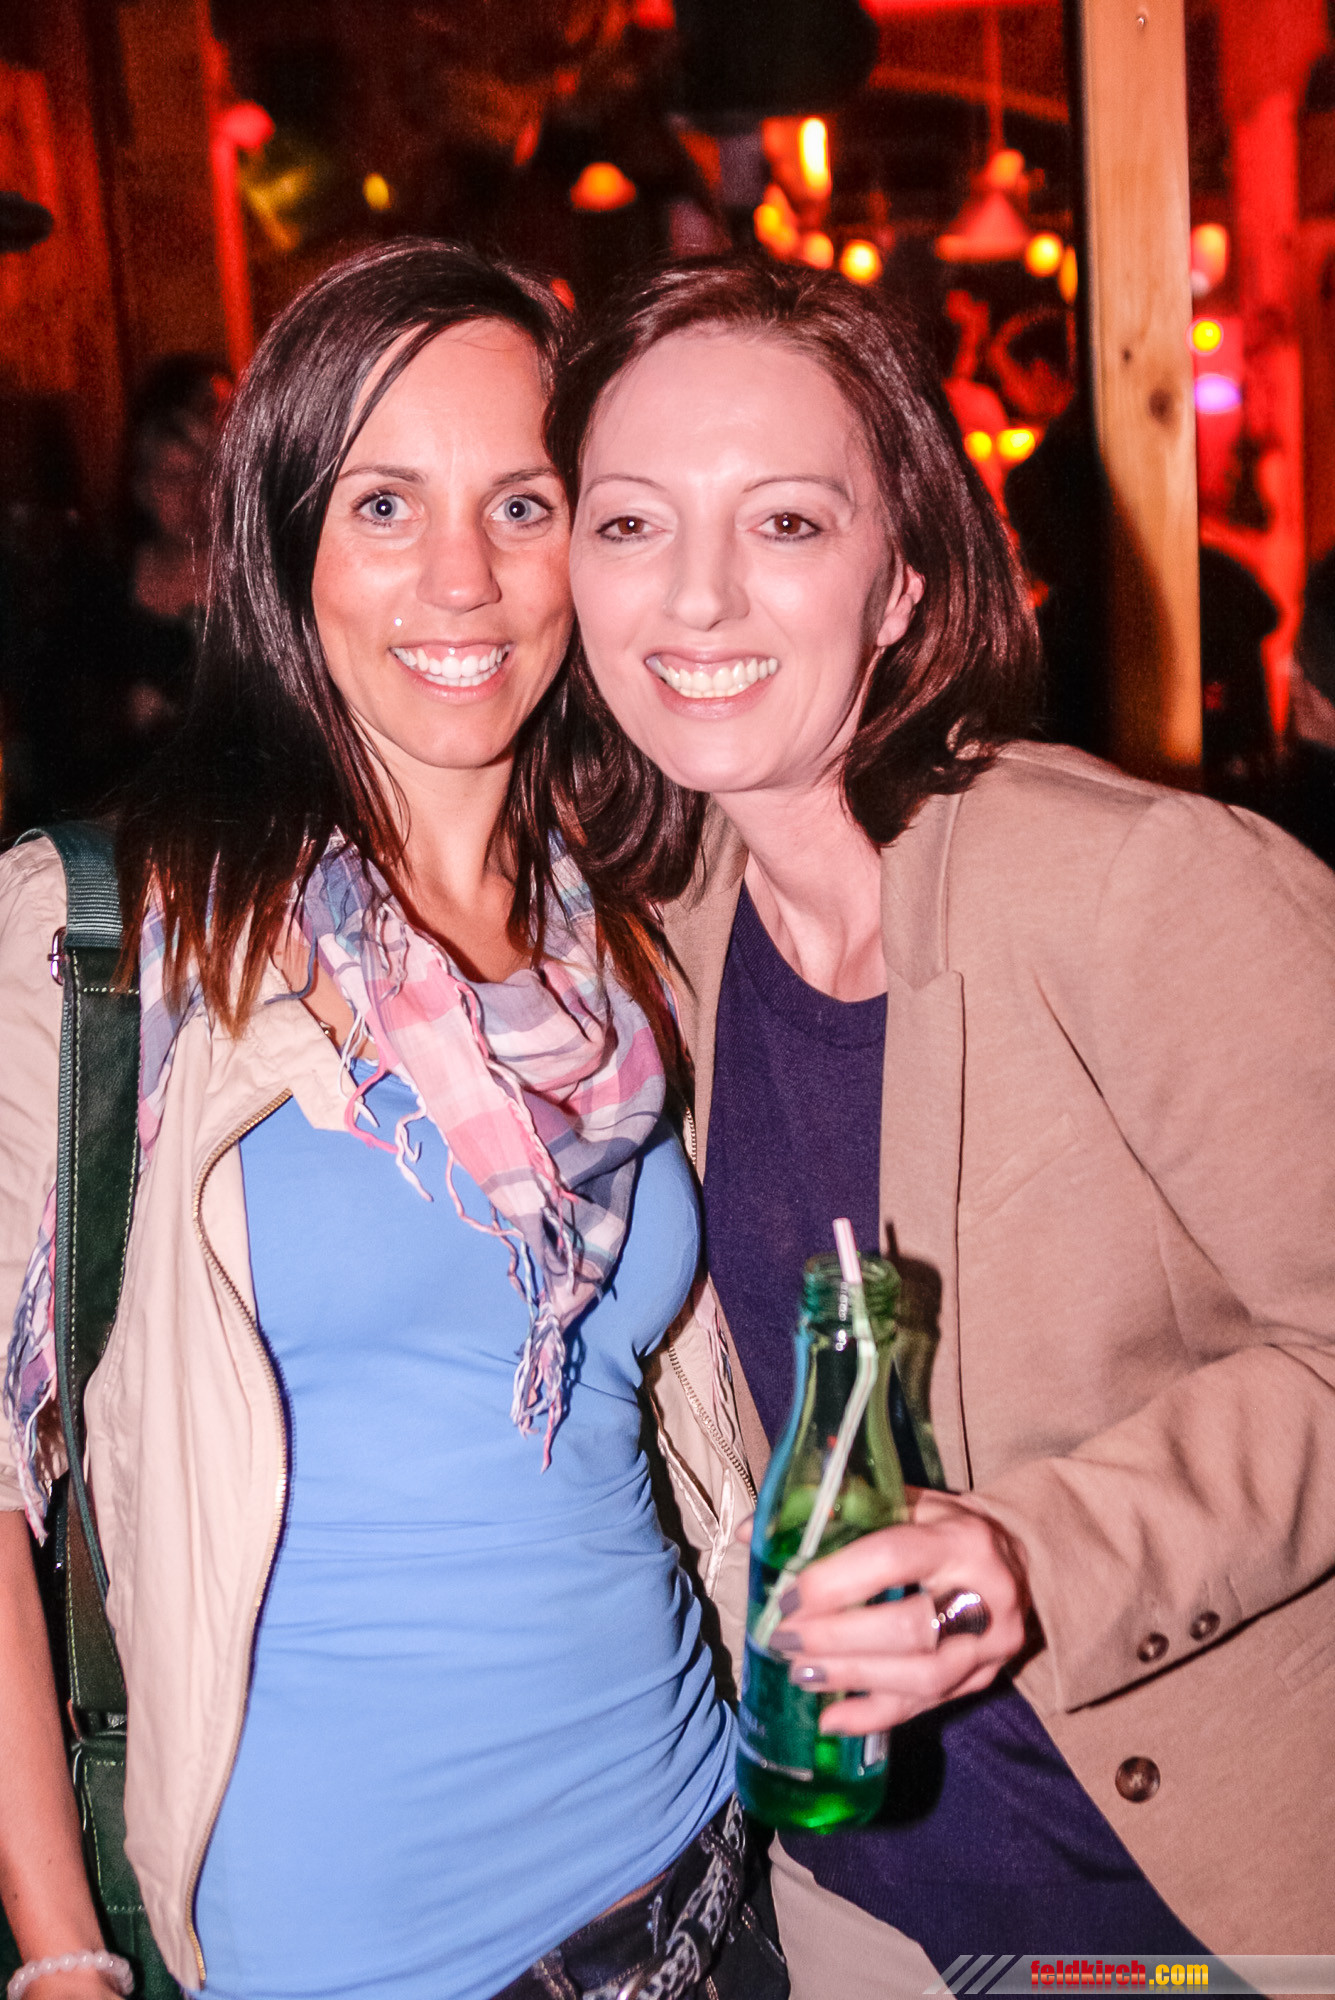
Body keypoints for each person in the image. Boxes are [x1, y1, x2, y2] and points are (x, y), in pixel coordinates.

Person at [0, 241, 786, 2000]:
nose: (462, 578)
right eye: (382, 505)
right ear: (283, 544)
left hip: (706, 1874)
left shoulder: (637, 925)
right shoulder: (106, 940)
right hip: (351, 1953)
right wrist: (59, 1954)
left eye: (521, 504)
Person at [550, 256, 1335, 1992]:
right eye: (631, 523)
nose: (696, 595)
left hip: (1173, 1914)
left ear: (902, 579)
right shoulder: (664, 933)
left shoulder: (1135, 889)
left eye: (785, 523)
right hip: (852, 1905)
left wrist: (1032, 1554)